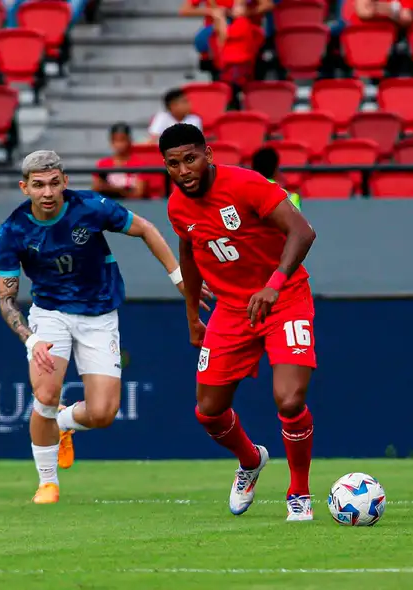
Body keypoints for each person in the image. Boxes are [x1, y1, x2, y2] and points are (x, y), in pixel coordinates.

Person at [0, 150, 211, 505]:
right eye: (38, 185)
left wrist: (179, 278)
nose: (47, 192)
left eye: (54, 183)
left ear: (65, 182)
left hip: (99, 313)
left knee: (102, 414)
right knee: (45, 394)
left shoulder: (91, 207)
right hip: (50, 314)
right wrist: (31, 339)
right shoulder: (12, 230)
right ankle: (47, 483)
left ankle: (63, 423)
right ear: (25, 188)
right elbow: (6, 299)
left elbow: (146, 229)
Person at [161, 123, 319, 522]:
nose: (184, 171)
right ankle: (250, 460)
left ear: (208, 154)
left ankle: (299, 492)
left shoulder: (247, 185)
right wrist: (193, 315)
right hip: (231, 310)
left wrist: (273, 285)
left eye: (191, 159)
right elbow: (188, 252)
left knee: (290, 400)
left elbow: (303, 231)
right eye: (174, 164)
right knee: (208, 411)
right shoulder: (177, 206)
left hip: (284, 299)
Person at [92, 122, 147, 199]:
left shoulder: (139, 164)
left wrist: (116, 190)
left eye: (123, 139)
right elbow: (96, 189)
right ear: (111, 142)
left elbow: (139, 194)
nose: (119, 144)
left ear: (129, 140)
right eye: (115, 140)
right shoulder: (103, 164)